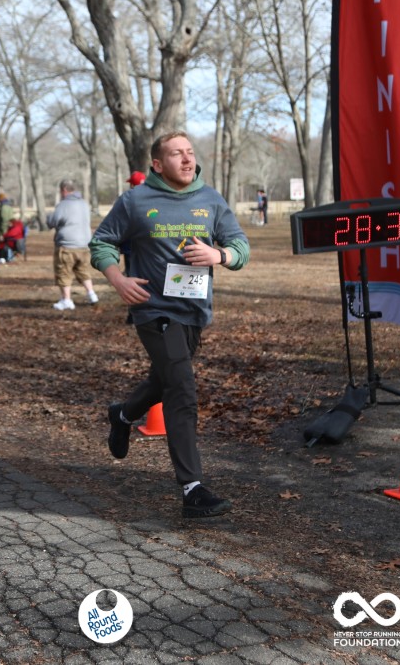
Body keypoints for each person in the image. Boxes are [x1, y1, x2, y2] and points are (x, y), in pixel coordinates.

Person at [90, 131, 250, 518]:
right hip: (153, 309)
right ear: (158, 164)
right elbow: (102, 243)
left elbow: (241, 247)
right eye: (177, 154)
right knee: (182, 389)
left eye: (190, 152)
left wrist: (219, 255)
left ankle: (123, 414)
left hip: (194, 312)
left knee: (166, 379)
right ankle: (192, 489)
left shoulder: (210, 199)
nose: (187, 159)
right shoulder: (135, 200)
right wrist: (118, 279)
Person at [46, 179, 98, 310]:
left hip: (67, 245)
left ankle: (66, 300)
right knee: (82, 270)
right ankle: (92, 294)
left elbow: (52, 222)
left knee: (63, 272)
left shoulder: (63, 205)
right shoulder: (84, 204)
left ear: (64, 190)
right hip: (84, 244)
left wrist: (48, 217)